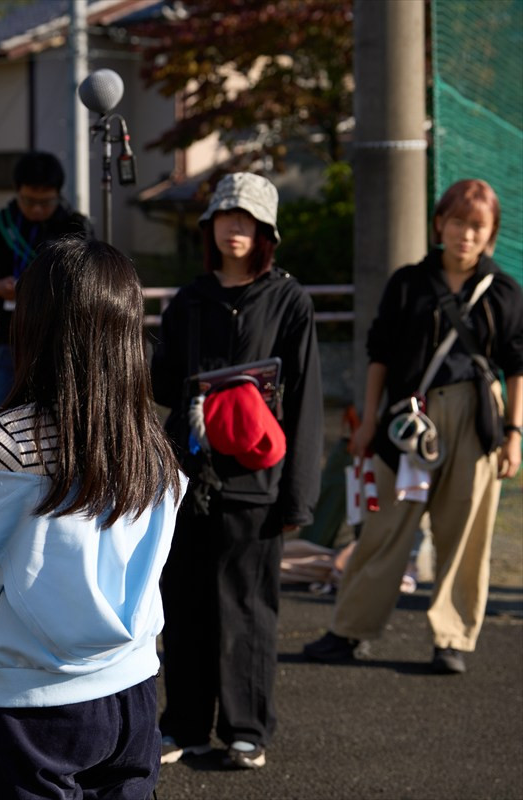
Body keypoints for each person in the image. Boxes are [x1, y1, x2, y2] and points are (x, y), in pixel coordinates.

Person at [0, 237, 187, 800]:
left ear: (38, 324)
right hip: (135, 692)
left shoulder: (6, 444)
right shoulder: (150, 444)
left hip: (37, 710)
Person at [304, 179, 523, 675]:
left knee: (466, 533)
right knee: (383, 527)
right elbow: (379, 353)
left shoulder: (504, 292)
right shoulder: (407, 283)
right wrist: (369, 419)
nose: (465, 234)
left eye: (477, 226)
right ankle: (350, 630)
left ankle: (453, 639)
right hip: (407, 421)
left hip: (478, 418)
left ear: (490, 234)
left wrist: (515, 433)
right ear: (439, 225)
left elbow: (517, 365)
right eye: (457, 222)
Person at [150, 172, 323, 770]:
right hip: (189, 478)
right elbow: (161, 383)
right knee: (186, 602)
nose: (234, 228)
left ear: (267, 230)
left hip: (257, 482)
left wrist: (298, 497)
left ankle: (248, 729)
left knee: (248, 606)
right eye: (225, 217)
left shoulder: (288, 300)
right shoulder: (188, 300)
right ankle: (186, 724)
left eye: (247, 219)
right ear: (210, 228)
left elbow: (304, 400)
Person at [0, 151, 92, 431]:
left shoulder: (74, 227)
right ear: (17, 191)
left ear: (58, 194)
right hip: (8, 343)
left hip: (60, 345)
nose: (35, 209)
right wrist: (0, 287)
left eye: (45, 202)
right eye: (28, 201)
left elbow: (89, 285)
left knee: (64, 428)